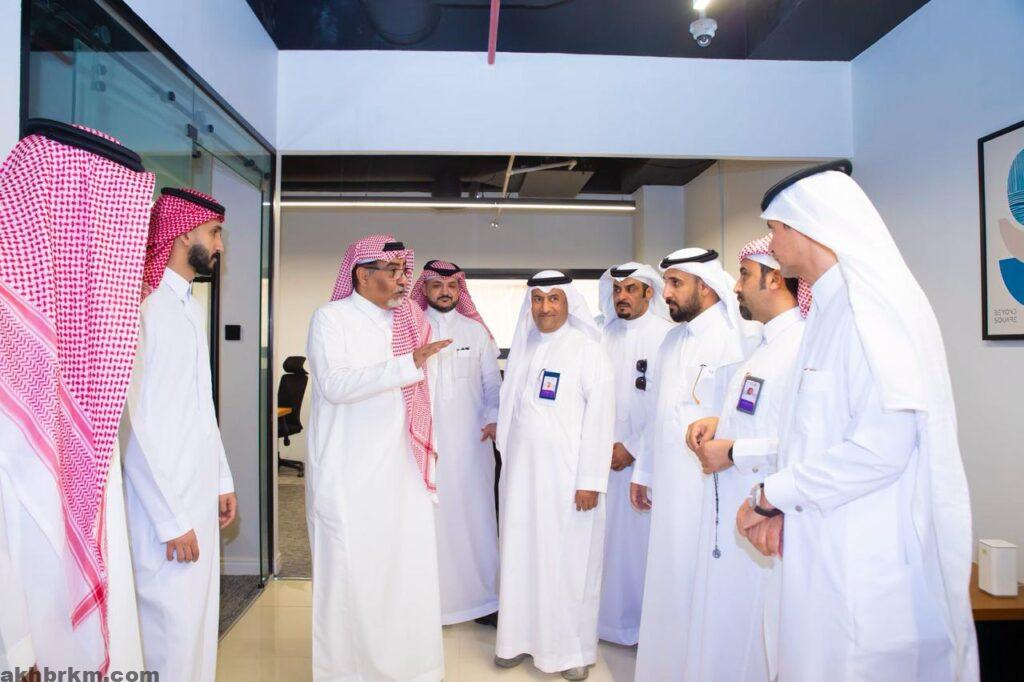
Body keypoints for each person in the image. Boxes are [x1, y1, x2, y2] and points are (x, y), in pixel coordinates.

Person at [738, 160, 978, 681]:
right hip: (818, 547)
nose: (772, 243)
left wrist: (770, 495)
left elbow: (881, 448)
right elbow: (814, 437)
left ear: (807, 226)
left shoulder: (870, 313)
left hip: (862, 568)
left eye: (776, 229)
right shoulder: (826, 313)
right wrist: (783, 506)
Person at [0, 119, 155, 674]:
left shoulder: (83, 353)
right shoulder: (14, 345)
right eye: (110, 224)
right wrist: (16, 649)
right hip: (28, 629)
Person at [305, 234, 450, 682]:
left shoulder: (406, 321)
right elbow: (335, 385)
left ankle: (410, 668)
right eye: (393, 271)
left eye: (405, 270)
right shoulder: (331, 318)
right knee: (352, 577)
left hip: (400, 470)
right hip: (349, 472)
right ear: (363, 275)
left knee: (405, 571)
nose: (404, 280)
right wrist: (407, 364)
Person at [681, 235, 810, 681]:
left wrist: (734, 451)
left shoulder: (802, 348)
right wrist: (720, 423)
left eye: (744, 275)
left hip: (766, 517)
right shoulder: (766, 346)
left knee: (756, 637)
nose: (736, 286)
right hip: (735, 512)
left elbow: (807, 444)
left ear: (774, 279)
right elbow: (763, 417)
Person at [122, 187, 238, 682]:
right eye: (215, 233)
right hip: (162, 509)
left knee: (196, 624)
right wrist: (170, 520)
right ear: (184, 232)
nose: (220, 246)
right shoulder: (143, 309)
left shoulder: (191, 308)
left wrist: (221, 480)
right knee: (166, 631)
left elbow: (202, 408)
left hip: (196, 495)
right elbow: (131, 428)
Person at [630, 248, 758, 680]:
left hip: (712, 490)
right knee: (669, 577)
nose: (665, 293)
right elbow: (656, 415)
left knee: (705, 584)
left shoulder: (738, 339)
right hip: (670, 487)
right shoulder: (670, 341)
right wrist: (643, 473)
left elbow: (744, 420)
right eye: (666, 282)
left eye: (675, 284)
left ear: (704, 285)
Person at [494, 271, 615, 681]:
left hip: (568, 483)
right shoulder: (524, 347)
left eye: (554, 298)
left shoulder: (587, 350)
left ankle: (570, 652)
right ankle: (516, 640)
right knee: (521, 558)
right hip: (521, 480)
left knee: (568, 564)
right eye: (538, 299)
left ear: (568, 303)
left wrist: (590, 481)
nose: (544, 307)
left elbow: (601, 420)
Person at [410, 259, 502, 626]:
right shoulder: (410, 328)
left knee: (475, 519)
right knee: (428, 521)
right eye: (436, 285)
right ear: (425, 288)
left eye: (451, 286)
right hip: (423, 444)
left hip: (471, 443)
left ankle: (482, 600)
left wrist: (493, 417)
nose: (445, 292)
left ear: (459, 289)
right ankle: (428, 604)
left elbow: (492, 384)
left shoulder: (475, 332)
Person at [595, 262, 673, 646]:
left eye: (630, 289)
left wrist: (632, 447)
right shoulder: (603, 335)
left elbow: (665, 403)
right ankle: (606, 624)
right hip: (600, 457)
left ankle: (643, 630)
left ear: (648, 292)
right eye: (616, 290)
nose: (621, 296)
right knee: (607, 545)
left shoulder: (666, 337)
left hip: (645, 461)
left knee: (640, 547)